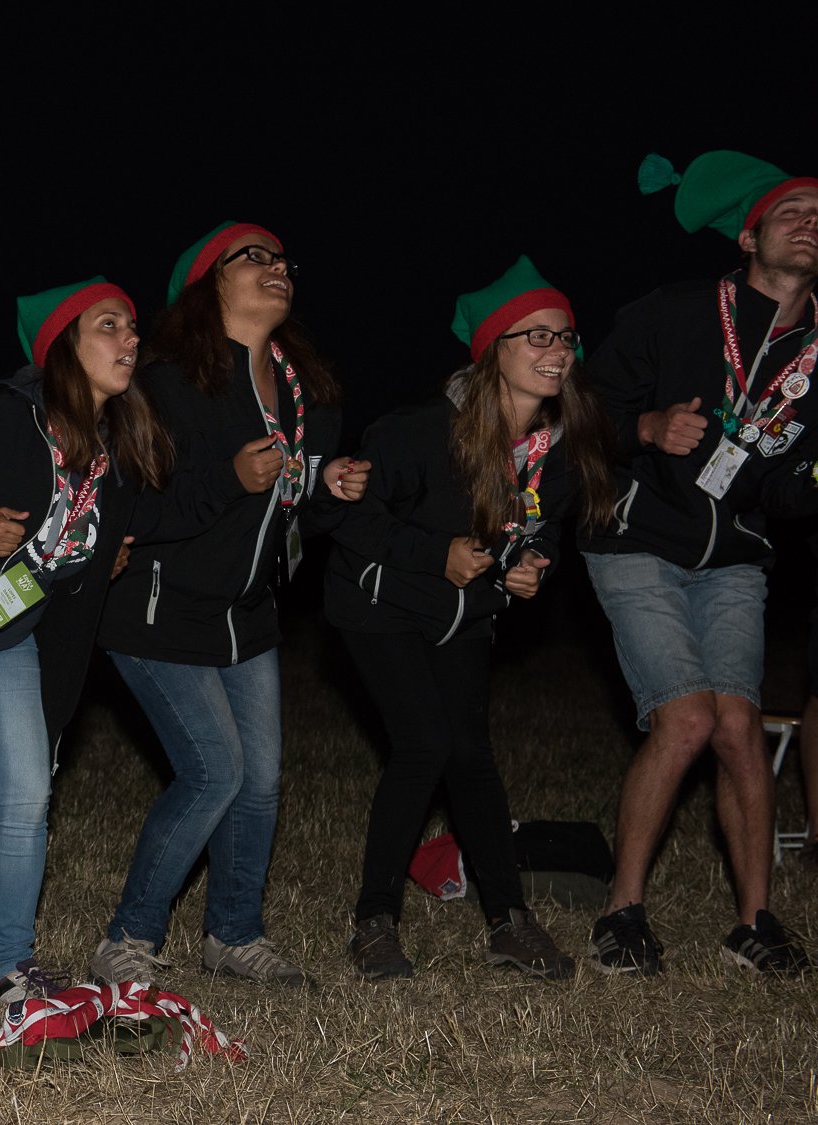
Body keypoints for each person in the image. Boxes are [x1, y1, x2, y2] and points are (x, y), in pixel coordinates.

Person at [0, 279, 197, 1026]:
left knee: (27, 795)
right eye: (108, 325)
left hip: (12, 640)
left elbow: (76, 550)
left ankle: (10, 966)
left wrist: (98, 561)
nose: (130, 338)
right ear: (62, 346)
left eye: (132, 325)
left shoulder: (111, 448)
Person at [90, 224, 363, 990]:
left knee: (261, 780)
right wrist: (226, 480)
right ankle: (128, 938)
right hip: (156, 610)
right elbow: (127, 510)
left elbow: (291, 519)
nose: (277, 268)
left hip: (248, 615)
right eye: (255, 257)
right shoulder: (165, 384)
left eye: (282, 259)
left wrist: (329, 490)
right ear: (209, 281)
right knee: (215, 771)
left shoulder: (310, 394)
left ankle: (234, 935)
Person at [327, 257, 612, 981]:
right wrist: (436, 555)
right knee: (424, 742)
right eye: (536, 335)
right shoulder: (421, 431)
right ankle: (373, 921)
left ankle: (509, 922)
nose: (556, 350)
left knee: (471, 755)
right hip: (378, 603)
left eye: (565, 337)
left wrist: (531, 567)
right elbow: (351, 521)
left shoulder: (559, 449)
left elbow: (543, 534)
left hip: (464, 616)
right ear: (493, 351)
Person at [581, 150, 818, 976]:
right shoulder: (676, 310)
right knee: (684, 719)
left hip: (736, 560)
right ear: (749, 236)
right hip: (637, 540)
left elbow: (784, 489)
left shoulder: (817, 355)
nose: (811, 222)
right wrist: (645, 429)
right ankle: (620, 914)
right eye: (792, 211)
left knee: (739, 728)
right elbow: (582, 409)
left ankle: (755, 924)